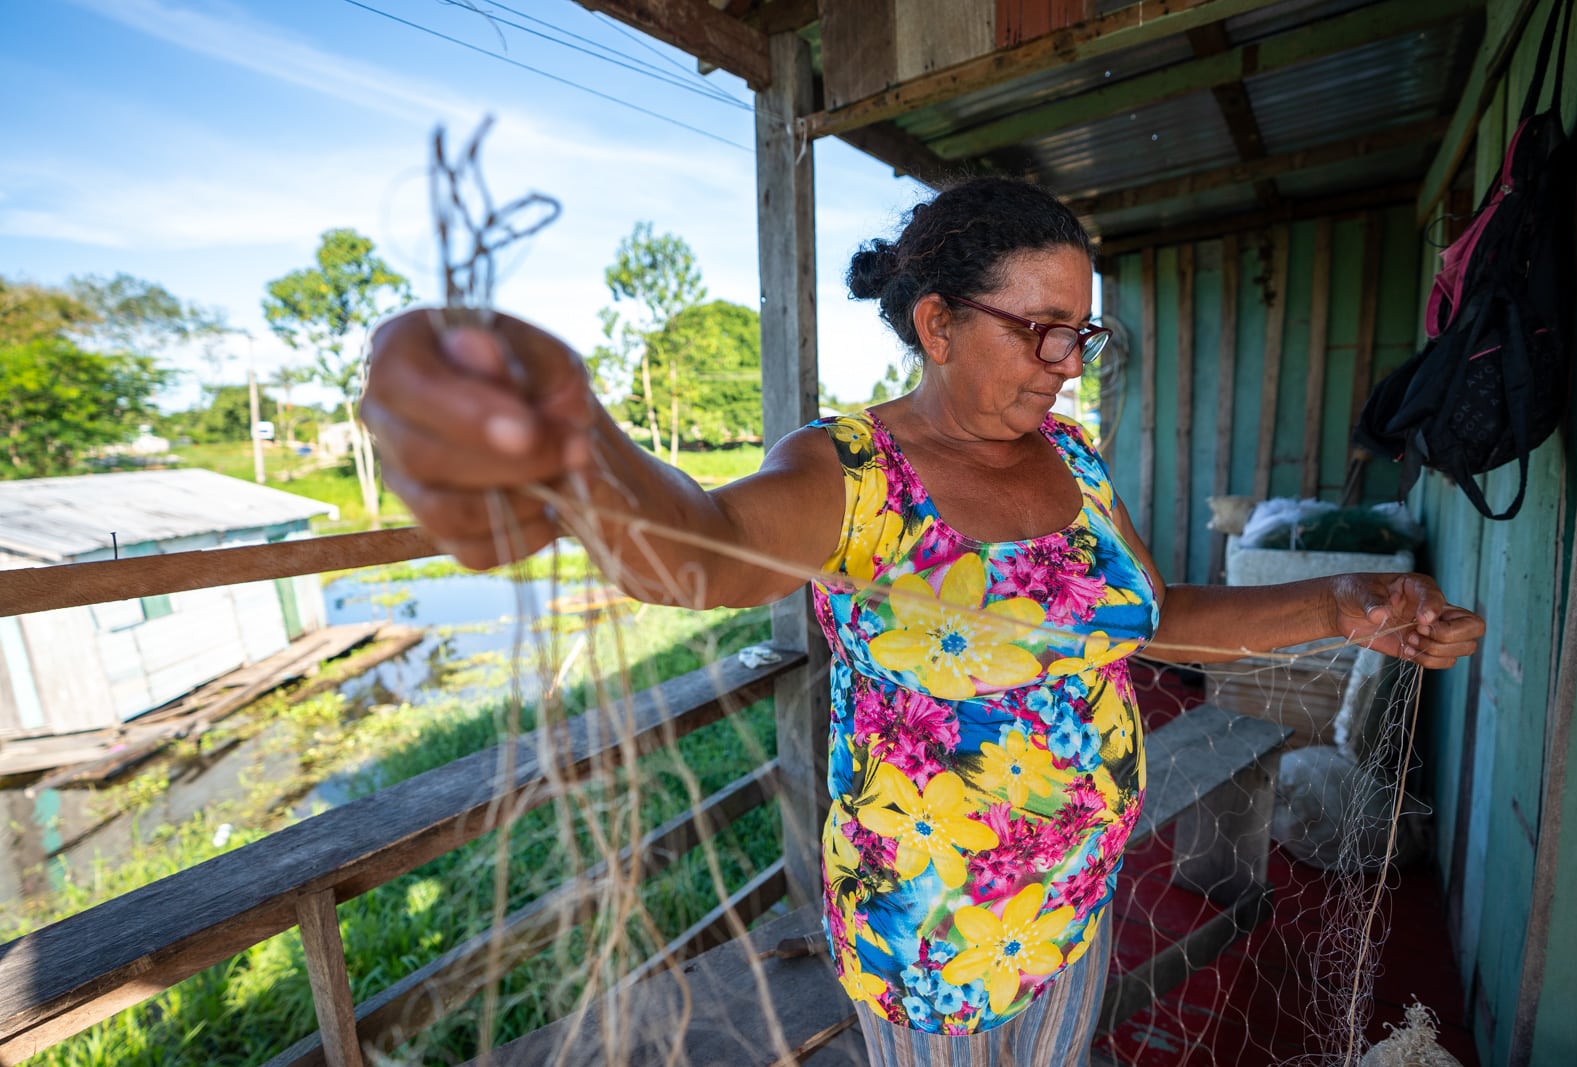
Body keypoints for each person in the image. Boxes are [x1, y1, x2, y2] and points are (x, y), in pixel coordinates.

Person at [361, 178, 1484, 1066]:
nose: (1062, 362)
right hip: (933, 930)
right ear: (937, 322)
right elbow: (697, 551)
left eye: (1080, 336)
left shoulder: (1078, 459)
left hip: (1077, 887)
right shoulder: (854, 470)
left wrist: (1344, 606)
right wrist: (577, 449)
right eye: (1037, 329)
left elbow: (1146, 616)